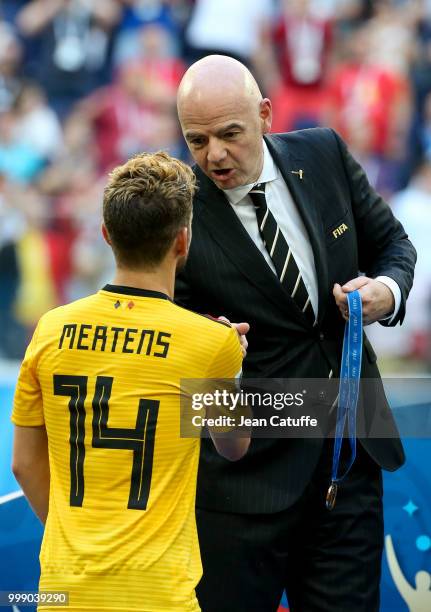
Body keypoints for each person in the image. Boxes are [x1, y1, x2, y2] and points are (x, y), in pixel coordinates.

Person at [175, 55, 417, 612]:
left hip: (349, 460)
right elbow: (178, 343)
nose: (214, 154)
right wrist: (204, 344)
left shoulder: (323, 152)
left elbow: (394, 245)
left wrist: (386, 291)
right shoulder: (176, 208)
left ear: (265, 114)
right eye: (197, 139)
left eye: (229, 134)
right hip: (243, 485)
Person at [11, 150, 250, 612]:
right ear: (183, 241)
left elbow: (23, 464)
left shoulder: (50, 329)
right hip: (159, 594)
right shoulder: (209, 343)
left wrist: (68, 538)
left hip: (66, 589)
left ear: (105, 235)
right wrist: (232, 365)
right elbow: (234, 446)